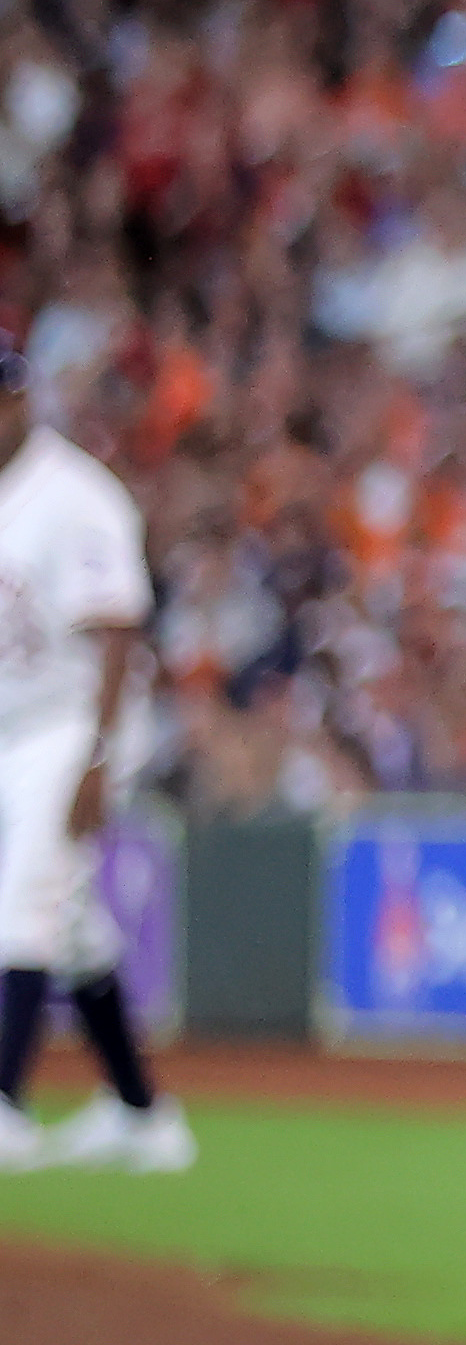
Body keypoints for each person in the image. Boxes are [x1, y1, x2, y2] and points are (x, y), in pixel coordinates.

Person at [0, 337, 181, 1174]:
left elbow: (117, 632)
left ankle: (5, 1104)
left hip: (79, 720)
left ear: (20, 401)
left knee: (25, 901)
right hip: (14, 724)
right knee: (70, 927)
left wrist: (99, 759)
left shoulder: (75, 495)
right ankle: (142, 1115)